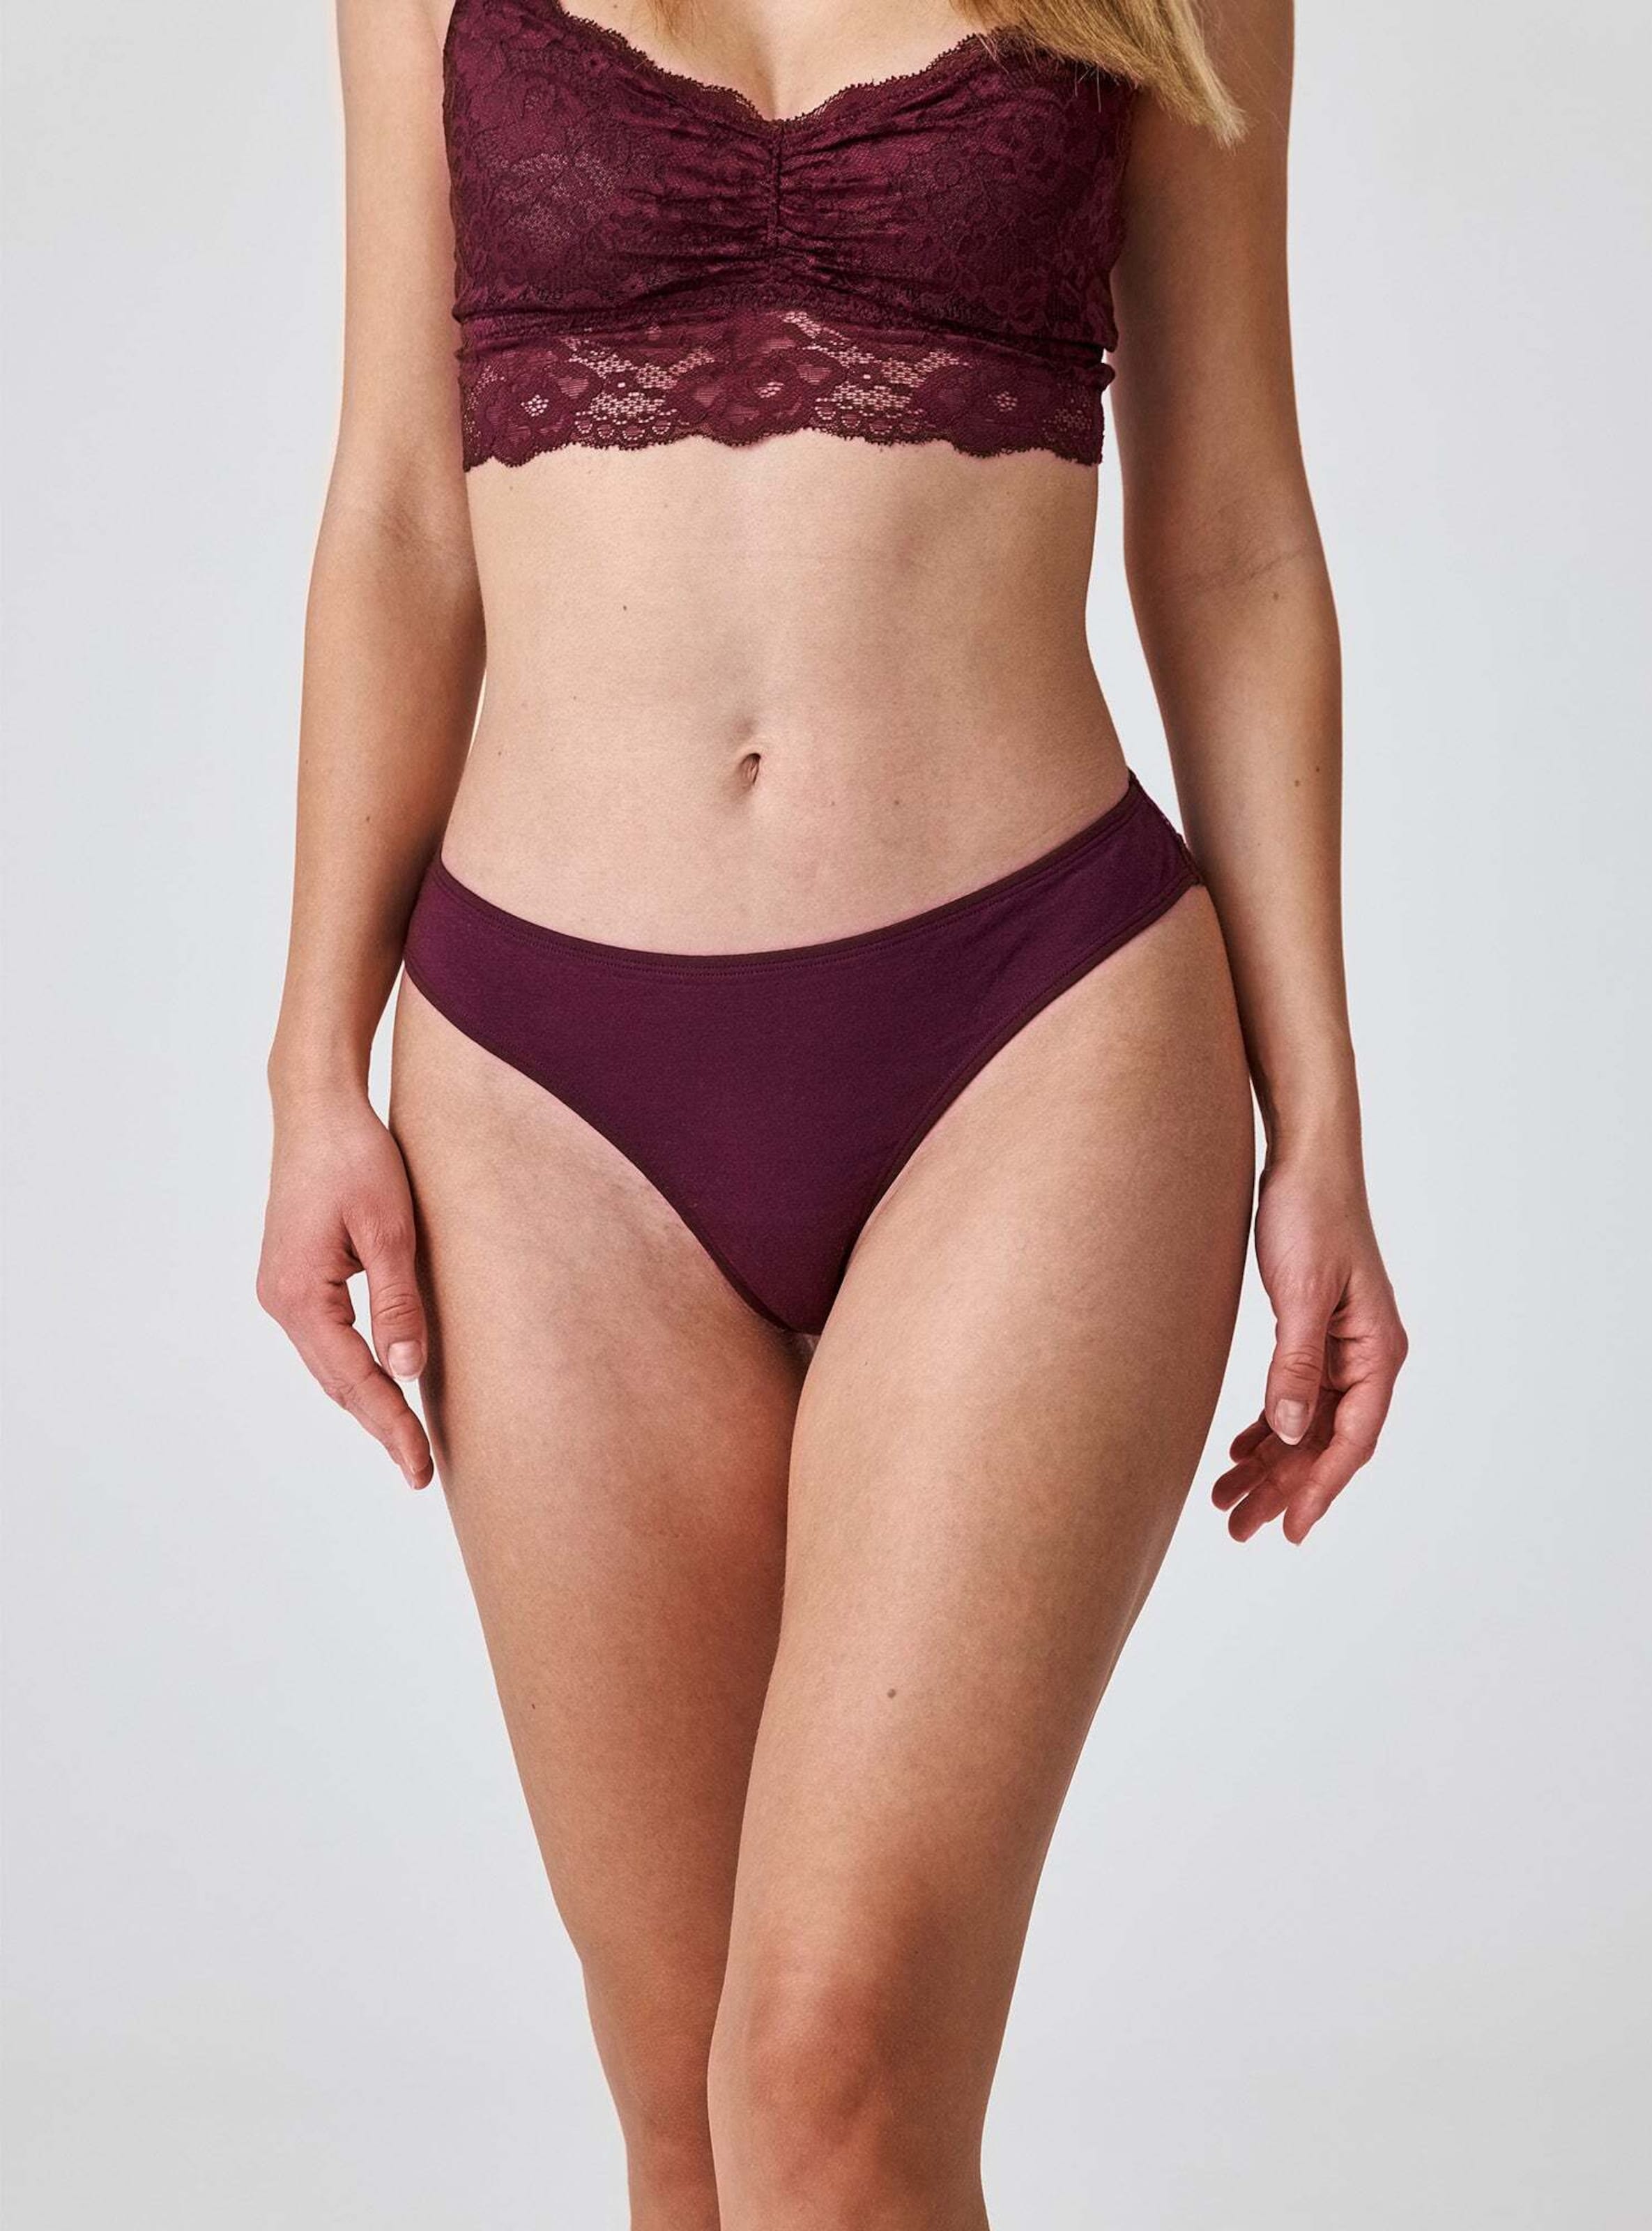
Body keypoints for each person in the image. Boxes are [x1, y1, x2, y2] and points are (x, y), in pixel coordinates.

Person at [259, 0, 1408, 2220]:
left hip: (1036, 1035)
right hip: (544, 1098)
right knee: (687, 2123)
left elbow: (1235, 538)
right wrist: (313, 1063)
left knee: (830, 2072)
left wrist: (1322, 1118)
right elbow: (397, 515)